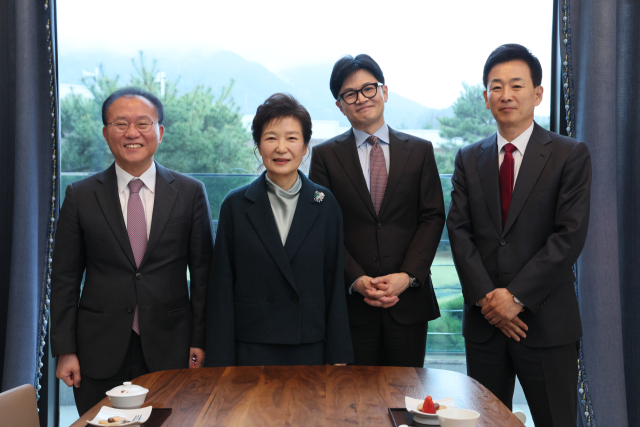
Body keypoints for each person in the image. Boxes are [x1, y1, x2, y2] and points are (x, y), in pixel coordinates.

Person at [446, 44, 592, 426]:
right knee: (481, 422)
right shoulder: (467, 158)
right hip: (485, 323)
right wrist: (491, 303)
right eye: (496, 87)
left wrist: (516, 298)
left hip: (545, 323)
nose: (506, 95)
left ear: (537, 93)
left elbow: (569, 235)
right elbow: (459, 233)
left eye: (516, 85)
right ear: (485, 97)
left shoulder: (569, 154)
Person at [50, 87, 214, 415]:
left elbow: (203, 275)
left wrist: (200, 339)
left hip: (172, 345)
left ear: (160, 132)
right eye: (120, 124)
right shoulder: (80, 195)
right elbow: (65, 278)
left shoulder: (190, 192)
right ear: (106, 133)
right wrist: (65, 349)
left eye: (143, 123)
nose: (132, 133)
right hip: (98, 348)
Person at [309, 55, 445, 368]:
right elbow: (322, 226)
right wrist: (355, 278)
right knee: (355, 405)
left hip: (408, 302)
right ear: (340, 105)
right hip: (352, 305)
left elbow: (432, 217)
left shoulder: (420, 150)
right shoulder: (325, 156)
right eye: (350, 94)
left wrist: (408, 276)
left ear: (384, 91)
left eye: (368, 89)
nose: (361, 98)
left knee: (406, 399)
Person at [205, 93, 353, 366]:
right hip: (251, 346)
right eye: (271, 138)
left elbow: (335, 285)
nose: (281, 148)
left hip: (309, 345)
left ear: (306, 146)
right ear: (259, 146)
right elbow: (221, 288)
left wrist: (339, 354)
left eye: (292, 138)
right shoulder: (236, 205)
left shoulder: (325, 204)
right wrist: (219, 360)